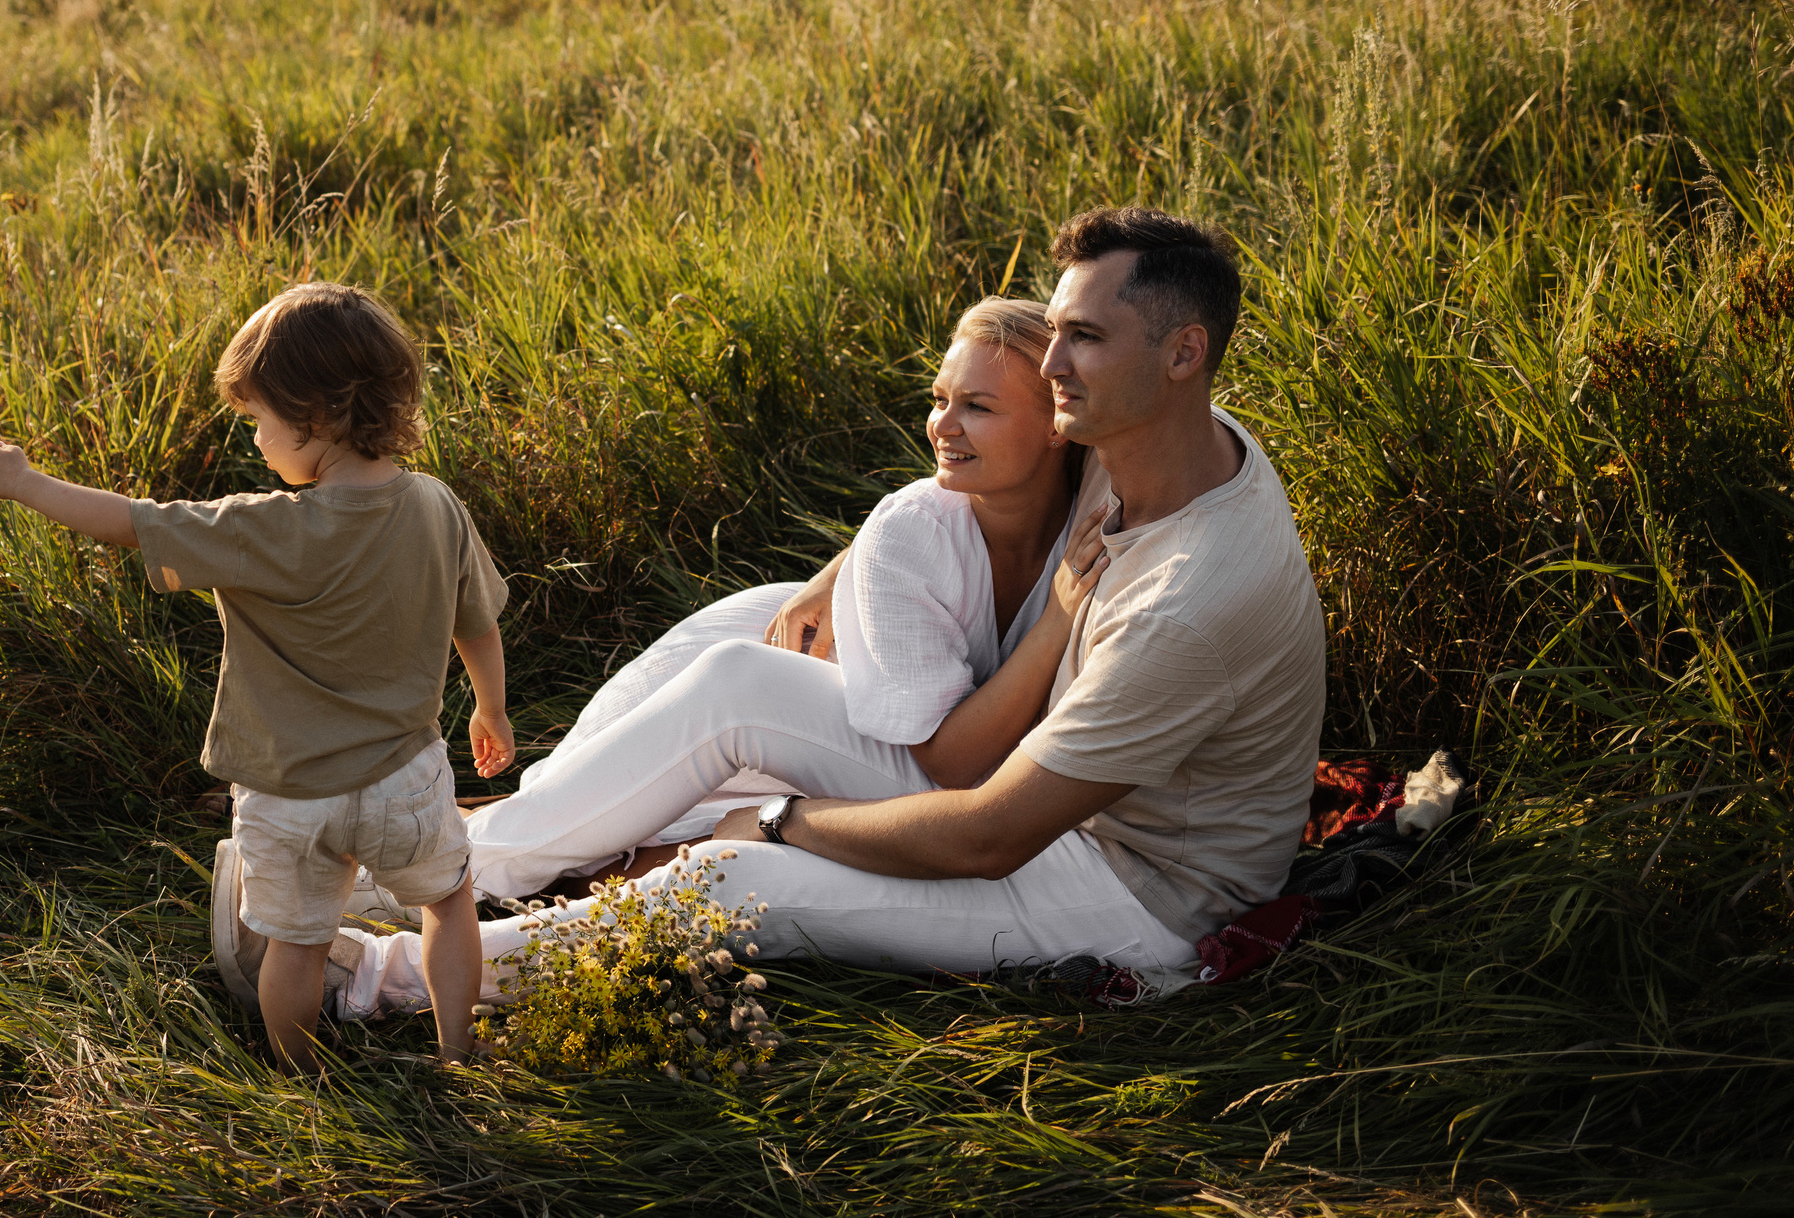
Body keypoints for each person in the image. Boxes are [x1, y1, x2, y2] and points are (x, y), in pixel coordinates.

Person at [329, 207, 1325, 1020]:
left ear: (1183, 353)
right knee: (738, 680)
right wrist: (847, 562)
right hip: (1051, 801)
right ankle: (402, 874)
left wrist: (778, 820)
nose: (1055, 363)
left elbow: (988, 836)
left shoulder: (1186, 600)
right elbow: (988, 456)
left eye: (1086, 339)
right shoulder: (1164, 433)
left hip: (1130, 890)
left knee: (725, 881)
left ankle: (378, 984)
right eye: (1056, 329)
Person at [0, 282, 514, 1070]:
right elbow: (479, 623)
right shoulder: (437, 507)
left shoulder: (266, 526)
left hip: (291, 794)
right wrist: (490, 709)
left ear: (318, 416)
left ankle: (302, 1080)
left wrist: (22, 481)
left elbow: (131, 520)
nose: (255, 441)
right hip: (406, 777)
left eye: (258, 420)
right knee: (449, 901)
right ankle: (457, 1052)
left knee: (293, 947)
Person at [456, 296, 1106, 899]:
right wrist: (1056, 619)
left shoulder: (1097, 497)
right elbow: (953, 764)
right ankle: (442, 871)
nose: (943, 426)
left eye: (978, 407)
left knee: (625, 834)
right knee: (574, 804)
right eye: (940, 398)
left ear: (1060, 422)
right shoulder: (922, 529)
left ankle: (477, 856)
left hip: (836, 691)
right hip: (780, 648)